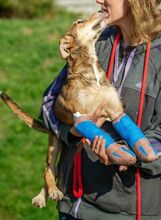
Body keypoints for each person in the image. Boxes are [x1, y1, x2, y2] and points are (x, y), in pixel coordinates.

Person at [40, 0, 161, 219]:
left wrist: (127, 152)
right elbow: (49, 104)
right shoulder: (95, 41)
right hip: (75, 206)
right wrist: (73, 132)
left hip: (130, 212)